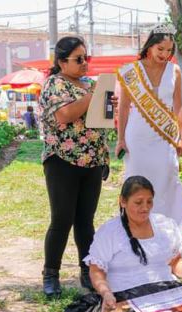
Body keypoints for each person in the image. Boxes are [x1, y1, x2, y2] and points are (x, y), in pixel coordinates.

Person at [39, 36, 114, 297]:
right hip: (62, 161)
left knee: (85, 221)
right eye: (78, 59)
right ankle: (51, 275)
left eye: (86, 58)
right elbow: (65, 115)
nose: (85, 63)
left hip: (92, 161)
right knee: (62, 219)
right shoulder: (53, 84)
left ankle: (87, 273)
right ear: (61, 62)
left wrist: (108, 106)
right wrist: (94, 96)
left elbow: (102, 124)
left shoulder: (90, 84)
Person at [84, 176, 182, 312]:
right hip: (126, 296)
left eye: (149, 201)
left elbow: (175, 262)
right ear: (122, 201)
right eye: (138, 202)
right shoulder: (110, 232)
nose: (145, 207)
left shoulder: (164, 225)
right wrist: (106, 293)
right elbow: (96, 270)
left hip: (166, 290)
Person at [116, 22, 182, 259]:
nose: (165, 55)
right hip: (137, 138)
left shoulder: (175, 71)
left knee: (168, 186)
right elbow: (124, 108)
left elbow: (178, 106)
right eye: (161, 49)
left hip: (164, 139)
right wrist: (120, 138)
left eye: (169, 50)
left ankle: (172, 246)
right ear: (150, 46)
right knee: (136, 186)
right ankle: (136, 243)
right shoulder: (131, 72)